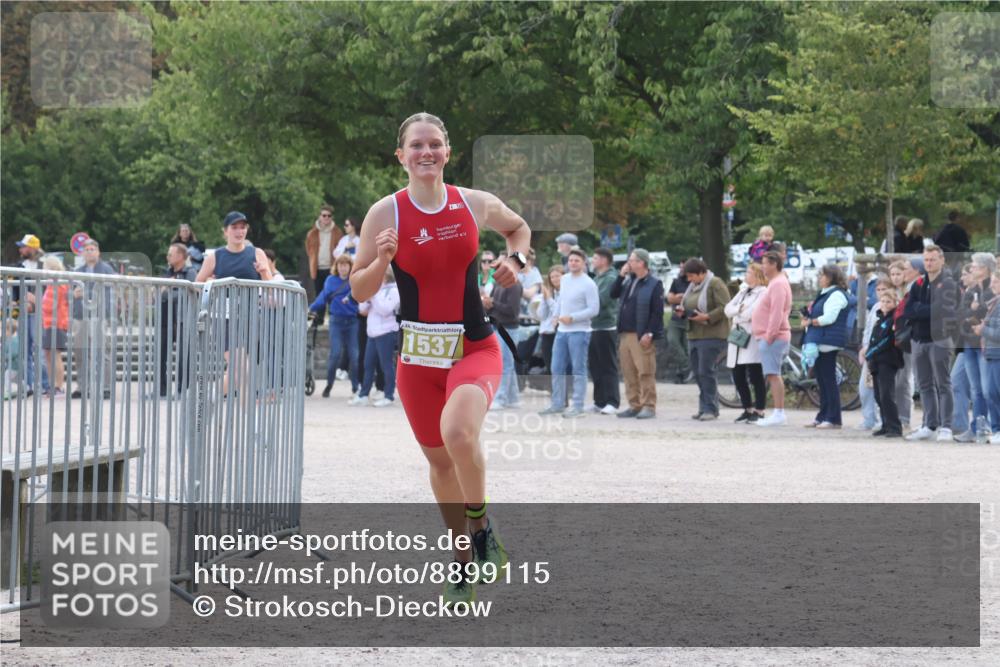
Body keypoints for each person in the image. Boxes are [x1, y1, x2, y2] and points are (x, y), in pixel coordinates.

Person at [349, 112, 530, 605]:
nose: (425, 153)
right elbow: (358, 289)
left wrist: (516, 262)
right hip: (417, 361)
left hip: (474, 347)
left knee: (458, 433)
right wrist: (383, 261)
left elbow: (518, 229)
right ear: (401, 156)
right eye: (416, 146)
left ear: (447, 153)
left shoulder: (473, 204)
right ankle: (463, 563)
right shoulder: (385, 214)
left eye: (434, 145)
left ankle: (482, 526)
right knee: (440, 464)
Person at [196, 211, 274, 397]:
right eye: (234, 227)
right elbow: (197, 285)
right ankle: (210, 398)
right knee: (240, 367)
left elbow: (271, 288)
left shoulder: (257, 253)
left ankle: (214, 400)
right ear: (225, 232)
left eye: (243, 227)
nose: (239, 231)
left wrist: (264, 272)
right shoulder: (215, 256)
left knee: (242, 371)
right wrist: (208, 281)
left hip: (251, 316)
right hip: (225, 317)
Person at [904, 245, 958, 441]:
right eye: (926, 260)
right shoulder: (918, 283)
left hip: (940, 339)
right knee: (924, 384)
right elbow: (908, 310)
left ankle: (946, 426)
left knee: (943, 383)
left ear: (942, 260)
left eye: (933, 259)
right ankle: (930, 424)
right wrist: (926, 310)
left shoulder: (949, 283)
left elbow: (943, 310)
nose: (929, 263)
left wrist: (921, 310)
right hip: (919, 339)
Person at [539, 246, 598, 418]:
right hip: (562, 331)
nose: (573, 263)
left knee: (578, 369)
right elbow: (561, 300)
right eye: (571, 260)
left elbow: (594, 309)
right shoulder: (564, 279)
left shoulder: (589, 283)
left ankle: (578, 406)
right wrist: (556, 315)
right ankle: (557, 404)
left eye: (576, 261)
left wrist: (572, 317)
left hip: (580, 331)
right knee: (556, 367)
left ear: (583, 263)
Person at [612, 248, 665, 419]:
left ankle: (649, 406)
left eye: (632, 260)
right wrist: (621, 276)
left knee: (645, 371)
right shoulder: (629, 281)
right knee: (628, 372)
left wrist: (649, 333)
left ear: (641, 263)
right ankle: (634, 405)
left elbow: (657, 312)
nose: (629, 263)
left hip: (641, 334)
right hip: (625, 334)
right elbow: (613, 294)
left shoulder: (654, 284)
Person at [678, 258, 731, 421]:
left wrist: (707, 316)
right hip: (694, 334)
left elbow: (725, 307)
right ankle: (704, 406)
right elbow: (689, 303)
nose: (689, 280)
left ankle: (710, 408)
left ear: (702, 272)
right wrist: (683, 311)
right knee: (698, 373)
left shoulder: (715, 283)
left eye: (692, 276)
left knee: (706, 371)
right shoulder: (692, 286)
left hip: (711, 334)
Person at [802, 264, 851, 429]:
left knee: (829, 380)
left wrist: (810, 321)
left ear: (831, 277)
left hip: (828, 341)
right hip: (820, 340)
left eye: (822, 275)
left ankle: (833, 417)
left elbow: (829, 317)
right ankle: (822, 415)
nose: (819, 278)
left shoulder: (837, 294)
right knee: (822, 380)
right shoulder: (824, 293)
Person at [953, 253, 996, 442]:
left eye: (976, 266)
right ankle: (977, 427)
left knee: (988, 390)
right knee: (976, 390)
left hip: (985, 346)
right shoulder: (971, 291)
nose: (972, 269)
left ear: (986, 269)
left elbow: (987, 313)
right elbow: (960, 316)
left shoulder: (993, 290)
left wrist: (974, 311)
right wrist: (973, 311)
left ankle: (992, 427)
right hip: (969, 344)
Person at [71, 239, 117, 399]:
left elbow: (111, 294)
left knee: (102, 352)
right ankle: (82, 386)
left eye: (92, 249)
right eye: (87, 249)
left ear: (98, 252)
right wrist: (72, 294)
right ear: (83, 253)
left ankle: (106, 387)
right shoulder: (77, 271)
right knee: (80, 353)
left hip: (99, 316)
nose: (90, 252)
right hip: (80, 316)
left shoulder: (107, 270)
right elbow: (69, 293)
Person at [310, 254, 359, 399]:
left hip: (352, 322)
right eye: (340, 265)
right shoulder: (331, 280)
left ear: (350, 266)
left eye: (346, 265)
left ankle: (355, 387)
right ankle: (329, 384)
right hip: (336, 321)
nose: (343, 268)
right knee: (335, 354)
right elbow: (322, 297)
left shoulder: (354, 280)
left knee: (354, 356)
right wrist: (310, 308)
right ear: (336, 267)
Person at [753, 251, 793, 427]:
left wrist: (769, 336)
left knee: (773, 374)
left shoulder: (777, 284)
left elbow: (777, 312)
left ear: (774, 264)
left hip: (773, 337)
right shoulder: (777, 283)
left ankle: (779, 413)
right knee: (772, 374)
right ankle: (778, 412)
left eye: (764, 263)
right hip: (772, 336)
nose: (762, 267)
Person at [724, 262, 767, 423]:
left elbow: (751, 313)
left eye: (749, 272)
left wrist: (739, 312)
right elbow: (727, 309)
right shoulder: (743, 291)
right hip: (737, 335)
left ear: (757, 275)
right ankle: (747, 408)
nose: (745, 275)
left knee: (755, 374)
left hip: (751, 335)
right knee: (738, 374)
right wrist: (738, 310)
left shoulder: (763, 292)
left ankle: (760, 410)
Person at [356, 265, 399, 407]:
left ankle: (389, 395)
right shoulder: (377, 291)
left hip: (386, 333)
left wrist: (373, 297)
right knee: (368, 364)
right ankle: (363, 394)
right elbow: (362, 310)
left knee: (386, 365)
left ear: (385, 276)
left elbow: (385, 310)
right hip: (372, 333)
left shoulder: (394, 290)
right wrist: (366, 299)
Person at [12, 234, 49, 395]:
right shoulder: (19, 266)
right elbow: (15, 290)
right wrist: (20, 302)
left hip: (41, 313)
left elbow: (51, 289)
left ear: (32, 248)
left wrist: (37, 301)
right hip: (24, 312)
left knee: (40, 350)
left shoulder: (45, 265)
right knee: (24, 350)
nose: (20, 249)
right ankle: (29, 385)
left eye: (23, 246)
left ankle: (46, 384)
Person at [159, 243, 197, 397]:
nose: (167, 257)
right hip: (165, 320)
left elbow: (188, 293)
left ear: (181, 256)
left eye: (170, 254)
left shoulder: (191, 272)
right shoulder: (167, 273)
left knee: (183, 356)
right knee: (160, 355)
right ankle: (161, 389)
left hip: (182, 320)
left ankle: (183, 389)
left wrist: (168, 291)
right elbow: (158, 294)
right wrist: (171, 290)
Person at [483, 263, 523, 410]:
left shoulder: (514, 285)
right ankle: (513, 398)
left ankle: (501, 398)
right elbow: (494, 303)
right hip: (498, 327)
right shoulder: (498, 284)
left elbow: (512, 311)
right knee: (508, 365)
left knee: (505, 365)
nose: (495, 271)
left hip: (509, 329)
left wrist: (493, 303)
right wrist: (488, 303)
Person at [855, 278, 894, 431]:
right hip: (869, 353)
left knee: (881, 389)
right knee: (865, 388)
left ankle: (881, 419)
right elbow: (868, 330)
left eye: (884, 289)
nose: (881, 293)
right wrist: (864, 347)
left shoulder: (890, 309)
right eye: (878, 290)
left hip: (881, 354)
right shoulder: (875, 308)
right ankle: (868, 418)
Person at [866, 290, 905, 438]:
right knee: (878, 395)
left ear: (895, 303)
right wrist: (870, 353)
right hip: (876, 361)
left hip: (888, 360)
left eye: (889, 302)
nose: (885, 304)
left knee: (887, 394)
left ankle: (895, 427)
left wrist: (872, 352)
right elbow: (873, 339)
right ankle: (885, 424)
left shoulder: (894, 320)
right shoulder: (879, 319)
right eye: (883, 301)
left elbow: (887, 341)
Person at [586, 247, 621, 415]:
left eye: (595, 258)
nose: (593, 261)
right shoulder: (597, 278)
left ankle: (612, 401)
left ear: (604, 260)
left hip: (606, 326)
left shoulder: (610, 278)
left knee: (608, 366)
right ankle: (599, 401)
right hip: (593, 326)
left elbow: (602, 300)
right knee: (595, 366)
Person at [888, 258, 919, 428]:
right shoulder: (891, 291)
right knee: (893, 379)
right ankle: (893, 415)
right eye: (892, 274)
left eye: (899, 273)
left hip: (906, 338)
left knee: (904, 379)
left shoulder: (910, 290)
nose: (896, 277)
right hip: (893, 338)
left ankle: (905, 417)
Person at [973, 268, 1000, 443]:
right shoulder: (994, 303)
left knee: (996, 392)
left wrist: (983, 329)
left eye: (995, 281)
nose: (992, 285)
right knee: (990, 392)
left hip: (997, 354)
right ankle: (997, 428)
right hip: (990, 353)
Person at [40, 255, 70, 397]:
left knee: (55, 354)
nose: (43, 270)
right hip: (49, 323)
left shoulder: (59, 282)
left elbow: (50, 305)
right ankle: (53, 385)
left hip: (57, 323)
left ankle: (58, 386)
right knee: (49, 354)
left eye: (45, 267)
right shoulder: (53, 283)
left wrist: (38, 303)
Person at [531, 265, 564, 383]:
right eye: (552, 277)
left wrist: (549, 299)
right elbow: (541, 315)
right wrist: (545, 299)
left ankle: (565, 390)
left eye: (557, 276)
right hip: (546, 332)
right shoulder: (549, 293)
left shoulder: (566, 293)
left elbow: (558, 311)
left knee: (559, 364)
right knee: (549, 363)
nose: (555, 279)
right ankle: (554, 391)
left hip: (559, 332)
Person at [305, 205, 344, 301]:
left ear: (332, 217)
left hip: (332, 269)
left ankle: (332, 316)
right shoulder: (312, 233)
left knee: (332, 295)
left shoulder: (338, 232)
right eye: (324, 215)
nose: (326, 218)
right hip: (317, 269)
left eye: (329, 216)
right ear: (319, 217)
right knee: (319, 296)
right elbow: (308, 250)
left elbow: (341, 249)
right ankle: (319, 316)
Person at [665, 261, 692, 383]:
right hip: (675, 319)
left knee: (686, 347)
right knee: (672, 341)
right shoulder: (676, 282)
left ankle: (683, 374)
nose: (681, 269)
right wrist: (678, 297)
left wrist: (680, 298)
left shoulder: (694, 282)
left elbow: (693, 300)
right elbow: (669, 298)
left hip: (689, 319)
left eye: (683, 267)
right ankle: (688, 366)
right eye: (680, 267)